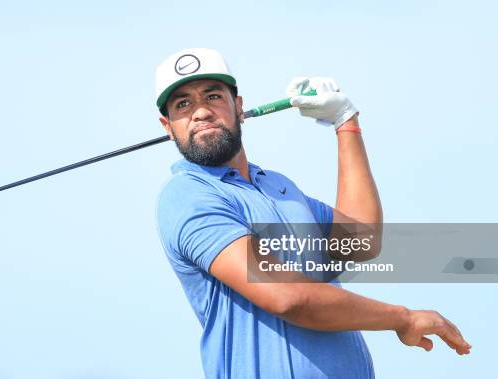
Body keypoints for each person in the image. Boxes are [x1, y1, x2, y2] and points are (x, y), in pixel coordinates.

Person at [154, 48, 470, 379]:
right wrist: (402, 318)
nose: (201, 111)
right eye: (183, 104)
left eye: (213, 96)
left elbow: (361, 240)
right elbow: (285, 296)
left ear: (239, 107)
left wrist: (345, 121)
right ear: (168, 126)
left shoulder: (278, 186)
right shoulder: (186, 195)